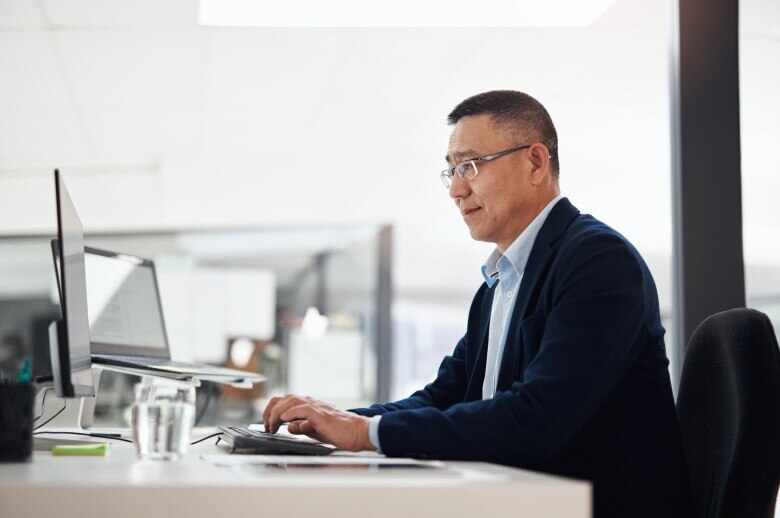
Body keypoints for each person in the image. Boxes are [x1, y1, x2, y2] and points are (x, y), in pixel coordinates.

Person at [263, 90, 691, 517]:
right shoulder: (498, 284)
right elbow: (443, 397)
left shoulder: (598, 261)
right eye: (451, 171)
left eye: (470, 165)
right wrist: (330, 422)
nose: (456, 189)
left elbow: (537, 420)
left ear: (535, 163)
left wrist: (364, 433)